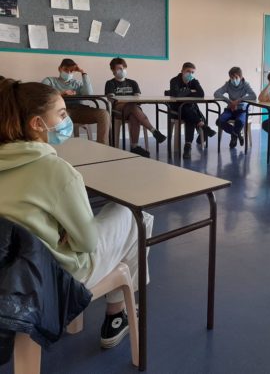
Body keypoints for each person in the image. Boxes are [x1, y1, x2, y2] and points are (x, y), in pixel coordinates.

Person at [0, 78, 153, 349]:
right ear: (37, 123)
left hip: (9, 276)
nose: (67, 120)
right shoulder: (56, 171)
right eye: (61, 114)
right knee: (136, 216)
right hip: (56, 277)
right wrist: (67, 233)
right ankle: (117, 314)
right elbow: (87, 243)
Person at [105, 57, 166, 157]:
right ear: (113, 70)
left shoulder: (133, 83)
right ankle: (154, 131)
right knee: (132, 105)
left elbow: (138, 99)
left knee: (134, 115)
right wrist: (128, 101)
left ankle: (134, 146)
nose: (122, 70)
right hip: (118, 111)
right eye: (119, 69)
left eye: (123, 68)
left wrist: (130, 101)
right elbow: (112, 100)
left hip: (133, 110)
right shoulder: (110, 83)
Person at [41, 58, 110, 145]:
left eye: (71, 71)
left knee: (104, 114)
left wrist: (83, 73)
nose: (68, 73)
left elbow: (89, 93)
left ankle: (102, 146)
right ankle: (63, 146)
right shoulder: (50, 80)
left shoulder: (77, 84)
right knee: (62, 117)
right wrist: (62, 93)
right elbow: (42, 94)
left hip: (79, 110)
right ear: (60, 69)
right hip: (62, 111)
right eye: (66, 69)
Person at [168, 62, 216, 159]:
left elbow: (201, 94)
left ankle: (189, 145)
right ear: (182, 71)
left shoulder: (193, 81)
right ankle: (202, 128)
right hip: (177, 109)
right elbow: (176, 94)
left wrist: (185, 92)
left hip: (190, 109)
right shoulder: (174, 80)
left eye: (192, 72)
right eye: (188, 71)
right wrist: (191, 91)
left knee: (189, 115)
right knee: (188, 111)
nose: (190, 74)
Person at [214, 67, 257, 149]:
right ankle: (237, 134)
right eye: (231, 77)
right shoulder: (228, 84)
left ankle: (234, 137)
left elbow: (253, 96)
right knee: (219, 121)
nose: (233, 80)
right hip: (230, 109)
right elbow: (216, 93)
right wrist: (229, 102)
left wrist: (238, 101)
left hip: (242, 110)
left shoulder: (245, 85)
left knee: (239, 122)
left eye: (236, 77)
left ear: (241, 77)